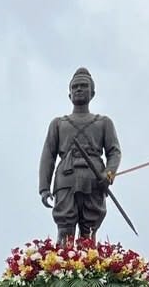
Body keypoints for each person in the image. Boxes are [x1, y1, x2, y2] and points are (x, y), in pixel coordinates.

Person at [38, 67, 122, 241]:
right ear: (69, 95)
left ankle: (89, 266)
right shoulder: (59, 124)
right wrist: (44, 188)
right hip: (66, 178)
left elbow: (114, 152)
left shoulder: (103, 122)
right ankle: (62, 265)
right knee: (65, 227)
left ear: (92, 93)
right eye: (75, 87)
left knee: (89, 229)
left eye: (83, 86)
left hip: (94, 178)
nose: (79, 89)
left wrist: (109, 174)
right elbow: (48, 155)